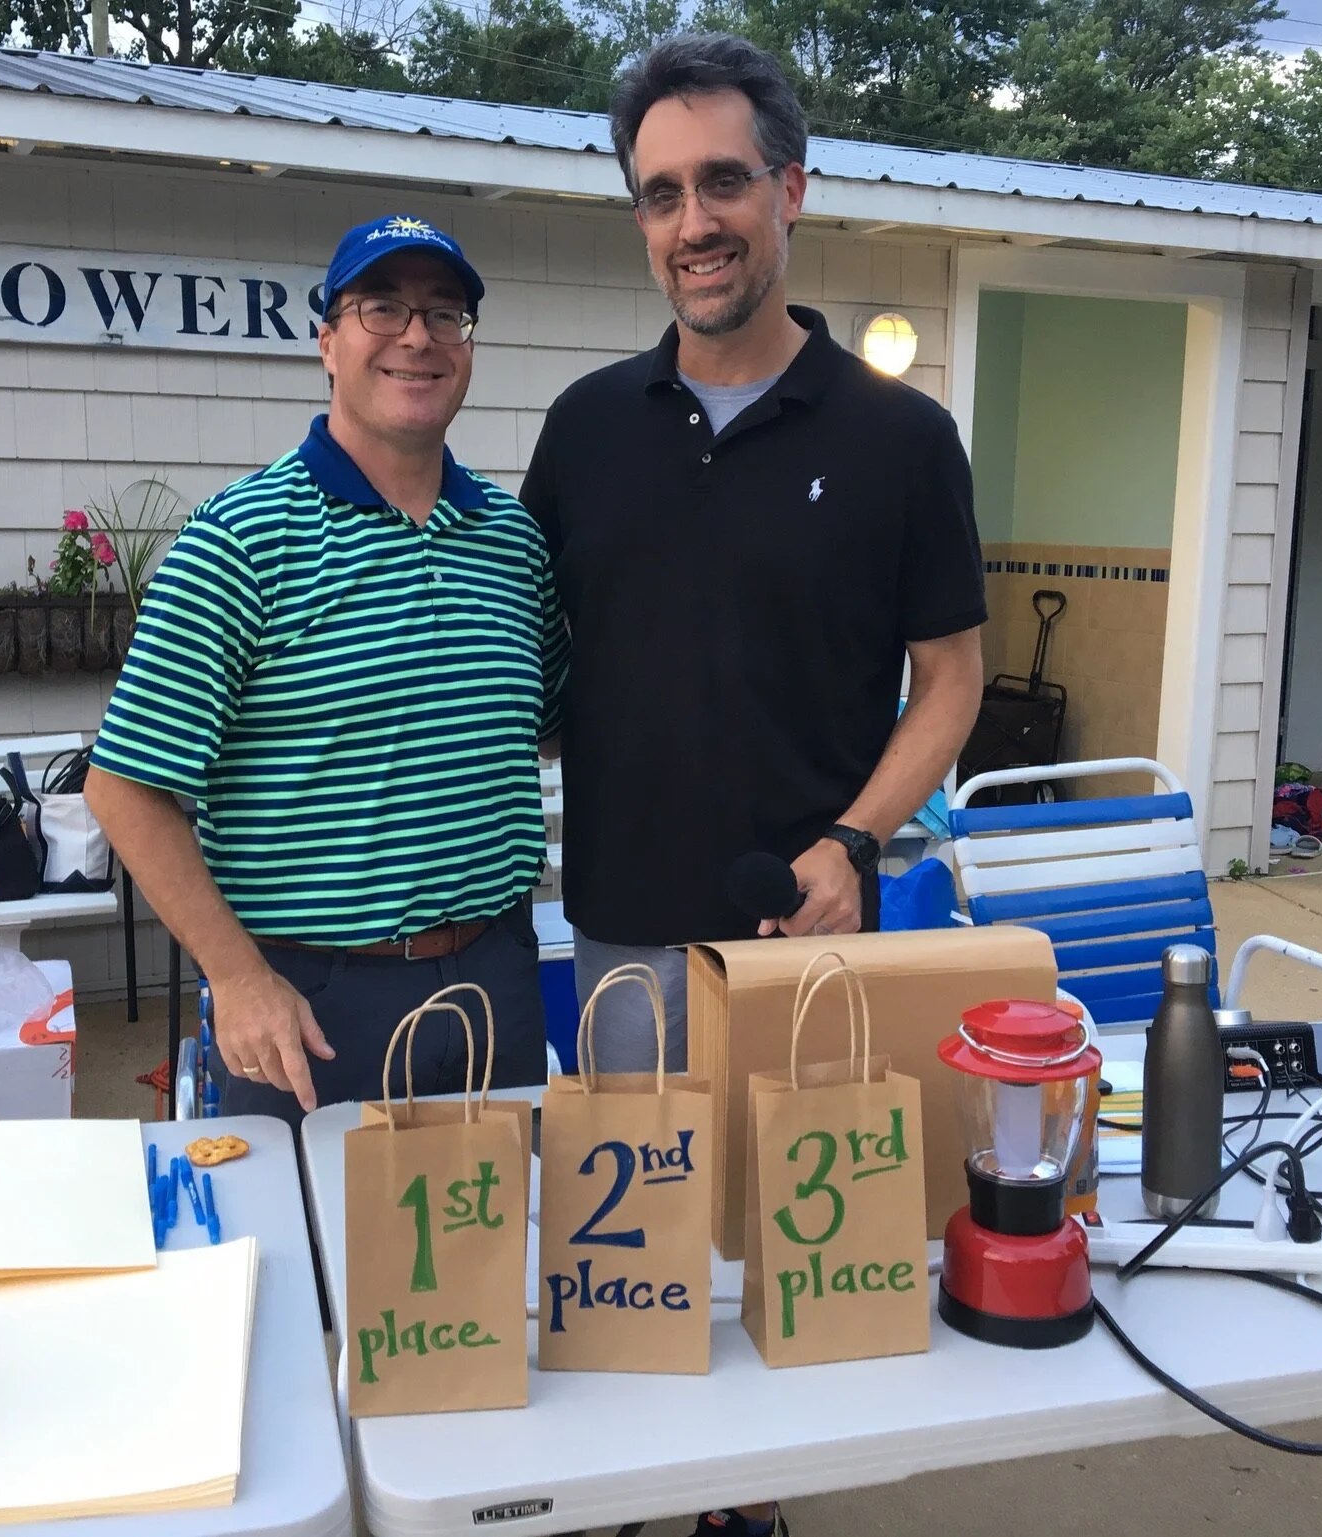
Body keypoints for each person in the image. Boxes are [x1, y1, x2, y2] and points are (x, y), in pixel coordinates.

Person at [522, 37, 987, 1526]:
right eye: (659, 194)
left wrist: (855, 835)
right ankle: (641, 1494)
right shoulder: (583, 430)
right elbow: (521, 654)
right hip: (623, 947)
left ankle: (753, 1503)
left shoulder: (902, 439)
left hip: (808, 944)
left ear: (790, 189)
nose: (692, 222)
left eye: (722, 181)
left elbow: (952, 682)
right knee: (638, 1288)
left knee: (799, 1274)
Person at [86, 214, 565, 1127]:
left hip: (494, 976)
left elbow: (537, 722)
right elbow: (123, 788)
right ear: (327, 342)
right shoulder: (241, 539)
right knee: (308, 1262)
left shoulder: (512, 543)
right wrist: (239, 976)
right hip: (309, 1001)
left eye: (444, 313)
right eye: (380, 306)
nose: (417, 336)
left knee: (491, 1256)